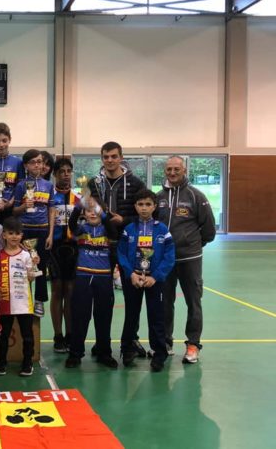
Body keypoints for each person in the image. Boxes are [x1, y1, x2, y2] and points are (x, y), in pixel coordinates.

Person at [87, 141, 147, 357]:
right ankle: (102, 343)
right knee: (102, 298)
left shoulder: (136, 183)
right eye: (106, 157)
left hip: (128, 246)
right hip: (100, 246)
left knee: (132, 296)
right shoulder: (94, 183)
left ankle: (129, 342)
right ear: (102, 158)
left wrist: (124, 220)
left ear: (121, 157)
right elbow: (88, 211)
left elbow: (145, 213)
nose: (110, 160)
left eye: (114, 156)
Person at [156, 156, 216, 363]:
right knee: (165, 302)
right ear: (165, 171)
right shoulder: (158, 197)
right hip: (165, 260)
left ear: (184, 170)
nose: (172, 173)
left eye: (176, 169)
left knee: (193, 302)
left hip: (190, 259)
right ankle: (165, 342)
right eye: (169, 169)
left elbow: (209, 229)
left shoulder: (196, 196)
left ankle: (193, 345)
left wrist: (192, 244)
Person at [118, 189, 175, 372]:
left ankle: (159, 353)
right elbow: (121, 253)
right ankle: (127, 349)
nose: (144, 208)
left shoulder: (162, 230)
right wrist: (130, 274)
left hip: (154, 280)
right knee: (131, 315)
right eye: (140, 204)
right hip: (133, 279)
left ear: (154, 206)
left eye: (148, 204)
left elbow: (169, 256)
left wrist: (155, 277)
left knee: (156, 316)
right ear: (135, 206)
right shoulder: (129, 229)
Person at [65, 198, 118, 369]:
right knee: (80, 316)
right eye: (89, 211)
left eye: (96, 211)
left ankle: (104, 353)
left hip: (104, 277)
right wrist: (79, 205)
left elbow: (111, 227)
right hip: (83, 276)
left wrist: (102, 212)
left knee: (104, 316)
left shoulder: (108, 229)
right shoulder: (81, 229)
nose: (93, 213)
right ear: (84, 214)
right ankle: (75, 353)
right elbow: (71, 223)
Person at [13, 149, 55, 317]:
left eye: (39, 162)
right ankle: (24, 298)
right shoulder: (21, 185)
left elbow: (51, 209)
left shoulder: (48, 185)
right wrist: (24, 206)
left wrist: (50, 234)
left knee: (41, 265)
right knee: (25, 265)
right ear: (26, 166)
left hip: (43, 229)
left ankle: (39, 300)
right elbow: (14, 211)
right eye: (33, 162)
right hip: (25, 229)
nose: (37, 165)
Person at [0, 217, 37, 377]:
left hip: (24, 303)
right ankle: (1, 362)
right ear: (4, 235)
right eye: (11, 233)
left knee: (27, 335)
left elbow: (31, 278)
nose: (14, 237)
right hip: (5, 302)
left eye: (17, 233)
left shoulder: (26, 255)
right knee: (3, 335)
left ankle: (28, 362)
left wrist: (34, 265)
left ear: (22, 235)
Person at [49, 158, 80, 353]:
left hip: (73, 248)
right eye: (61, 171)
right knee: (57, 290)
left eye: (69, 171)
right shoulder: (49, 196)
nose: (66, 174)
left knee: (70, 291)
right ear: (55, 174)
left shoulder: (78, 198)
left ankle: (70, 334)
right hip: (54, 248)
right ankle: (58, 335)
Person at [0, 123, 25, 224]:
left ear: (10, 140)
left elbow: (21, 187)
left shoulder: (18, 163)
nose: (1, 144)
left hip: (12, 210)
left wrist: (9, 203)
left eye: (4, 140)